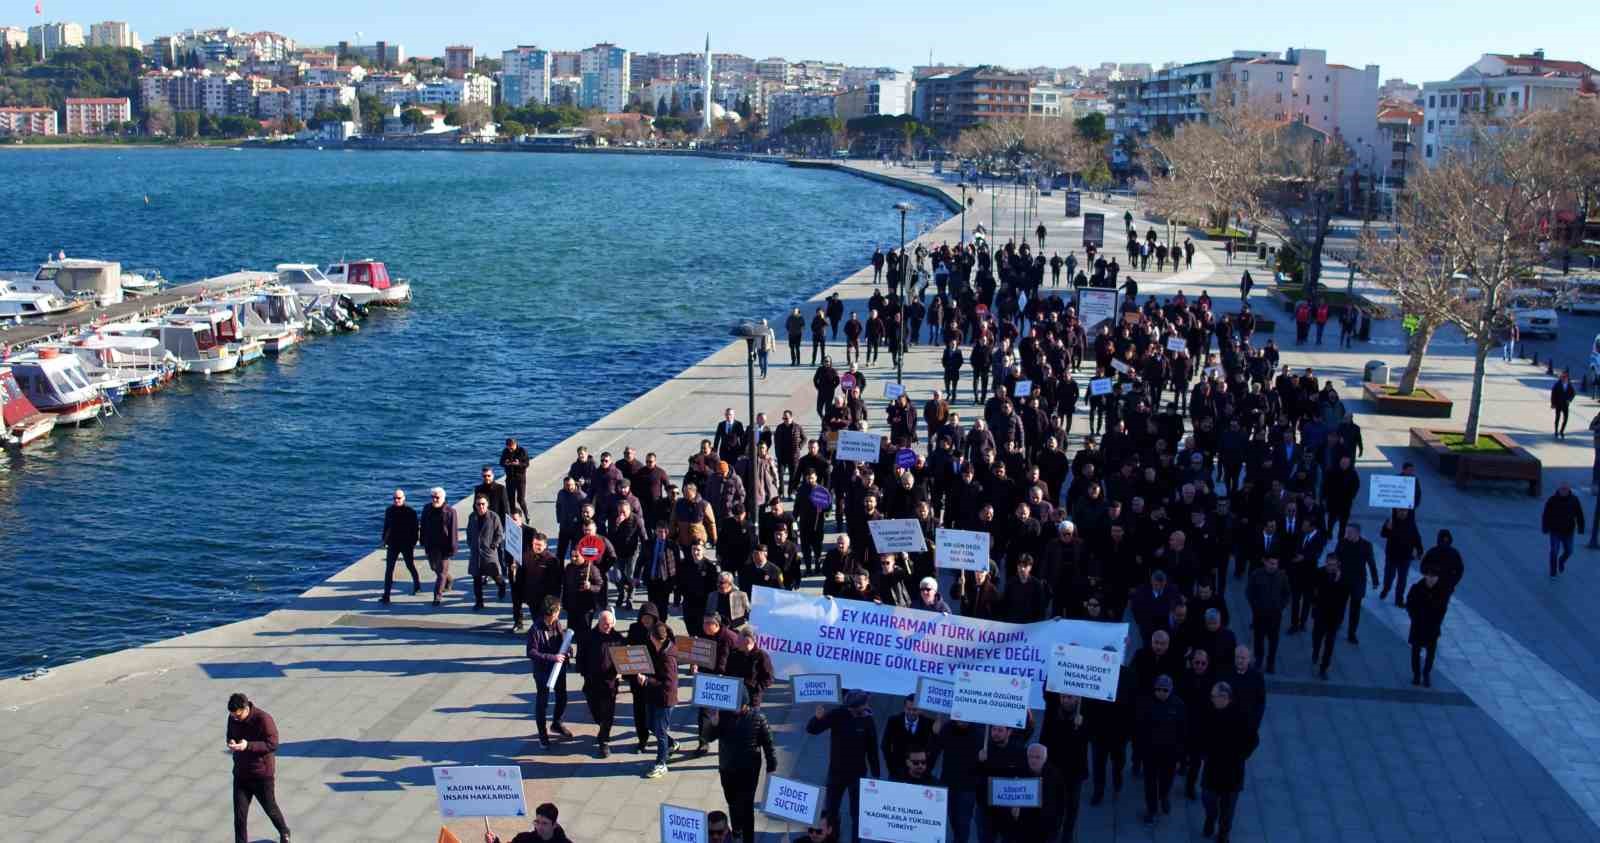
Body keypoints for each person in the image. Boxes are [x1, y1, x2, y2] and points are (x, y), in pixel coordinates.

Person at [807, 691, 881, 843]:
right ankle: (833, 839)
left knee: (857, 813)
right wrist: (817, 718)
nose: (867, 707)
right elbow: (812, 730)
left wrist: (876, 774)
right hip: (836, 773)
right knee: (831, 812)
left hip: (858, 774)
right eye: (864, 704)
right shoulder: (837, 714)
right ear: (854, 707)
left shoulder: (868, 719)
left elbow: (872, 748)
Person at [705, 700, 778, 843]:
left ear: (745, 704)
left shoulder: (758, 718)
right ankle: (737, 831)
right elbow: (707, 737)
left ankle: (748, 838)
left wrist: (771, 768)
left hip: (749, 772)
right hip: (727, 769)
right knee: (732, 803)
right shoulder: (723, 716)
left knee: (746, 806)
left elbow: (768, 744)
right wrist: (713, 723)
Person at [227, 692, 290, 843]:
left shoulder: (263, 719)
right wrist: (231, 742)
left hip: (261, 774)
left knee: (270, 808)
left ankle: (284, 831)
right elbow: (230, 735)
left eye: (238, 715)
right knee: (240, 816)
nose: (236, 718)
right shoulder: (232, 718)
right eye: (233, 716)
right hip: (241, 773)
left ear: (246, 708)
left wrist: (248, 745)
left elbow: (272, 744)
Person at [1199, 682, 1259, 843]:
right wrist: (1203, 753)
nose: (1212, 699)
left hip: (1233, 771)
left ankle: (1223, 833)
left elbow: (1253, 739)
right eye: (1212, 696)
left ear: (1225, 697)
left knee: (1228, 807)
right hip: (1212, 768)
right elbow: (1199, 734)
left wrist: (1242, 756)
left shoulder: (1241, 715)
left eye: (1214, 696)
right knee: (1207, 798)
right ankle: (1210, 818)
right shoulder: (1209, 712)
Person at [1135, 675, 1186, 825]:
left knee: (1166, 780)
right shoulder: (1146, 704)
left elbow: (1183, 731)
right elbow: (1139, 728)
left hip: (1170, 753)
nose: (1161, 692)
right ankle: (1151, 809)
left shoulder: (1178, 705)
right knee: (1150, 783)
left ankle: (1164, 797)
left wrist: (1180, 755)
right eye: (1158, 689)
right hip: (1150, 752)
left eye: (1165, 690)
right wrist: (1140, 750)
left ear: (1170, 690)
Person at [528, 596, 576, 748]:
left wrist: (568, 649)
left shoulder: (556, 623)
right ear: (552, 612)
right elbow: (531, 652)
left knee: (562, 697)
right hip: (543, 671)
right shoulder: (535, 629)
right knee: (542, 703)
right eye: (558, 610)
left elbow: (562, 641)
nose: (559, 612)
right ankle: (542, 735)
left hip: (558, 668)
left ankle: (557, 723)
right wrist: (552, 657)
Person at [581, 610, 625, 758]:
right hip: (592, 682)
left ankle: (604, 741)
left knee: (608, 713)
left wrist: (621, 672)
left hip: (610, 683)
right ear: (599, 622)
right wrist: (584, 672)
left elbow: (624, 658)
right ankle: (602, 726)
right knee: (596, 711)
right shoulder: (588, 637)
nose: (608, 626)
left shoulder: (618, 638)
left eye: (610, 624)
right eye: (605, 624)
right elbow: (581, 656)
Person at [640, 620, 680, 778]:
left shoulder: (667, 657)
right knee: (651, 725)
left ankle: (661, 763)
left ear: (653, 637)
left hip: (665, 699)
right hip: (654, 696)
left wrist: (647, 680)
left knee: (660, 731)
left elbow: (668, 683)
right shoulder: (658, 649)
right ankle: (672, 744)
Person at [1309, 556, 1351, 679]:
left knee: (1330, 643)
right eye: (1328, 564)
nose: (1330, 567)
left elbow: (1344, 598)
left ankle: (1324, 668)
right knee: (1316, 637)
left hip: (1334, 616)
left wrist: (1338, 581)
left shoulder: (1343, 577)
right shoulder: (1320, 573)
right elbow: (1316, 590)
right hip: (1320, 612)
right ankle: (1315, 651)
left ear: (1338, 564)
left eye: (1333, 565)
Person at [1406, 567, 1449, 687]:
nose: (1431, 579)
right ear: (1425, 576)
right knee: (1415, 651)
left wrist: (1436, 622)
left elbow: (1443, 610)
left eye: (1434, 577)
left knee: (1430, 653)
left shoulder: (1442, 592)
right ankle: (1416, 674)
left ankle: (1426, 674)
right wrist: (1414, 617)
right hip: (1418, 625)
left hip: (1432, 627)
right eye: (1429, 576)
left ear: (1437, 578)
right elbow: (1410, 604)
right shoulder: (1416, 588)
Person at [1246, 556, 1289, 673]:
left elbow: (1286, 594)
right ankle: (1259, 660)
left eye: (1275, 564)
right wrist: (1255, 606)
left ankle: (1271, 663)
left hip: (1275, 615)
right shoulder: (1256, 574)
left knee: (1273, 640)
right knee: (1258, 638)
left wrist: (1281, 606)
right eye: (1271, 563)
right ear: (1265, 563)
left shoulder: (1282, 576)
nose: (1273, 566)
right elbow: (1250, 592)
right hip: (1259, 614)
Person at [881, 694, 938, 781]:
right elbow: (885, 746)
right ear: (904, 708)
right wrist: (891, 768)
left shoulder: (929, 723)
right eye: (908, 709)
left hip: (921, 772)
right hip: (897, 771)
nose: (911, 712)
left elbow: (934, 749)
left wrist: (927, 768)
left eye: (914, 710)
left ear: (920, 709)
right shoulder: (893, 721)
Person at [420, 487, 458, 607]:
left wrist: (453, 547)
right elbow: (423, 525)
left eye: (437, 497)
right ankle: (449, 579)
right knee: (435, 568)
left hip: (444, 547)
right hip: (431, 545)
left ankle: (437, 596)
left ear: (443, 498)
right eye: (433, 497)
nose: (435, 499)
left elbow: (453, 531)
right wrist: (422, 540)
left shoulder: (450, 512)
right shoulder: (426, 508)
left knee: (441, 573)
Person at [381, 489, 421, 603]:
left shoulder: (410, 511)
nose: (396, 500)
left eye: (398, 498)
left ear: (404, 498)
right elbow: (386, 526)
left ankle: (417, 585)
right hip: (393, 544)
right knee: (389, 569)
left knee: (410, 565)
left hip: (406, 544)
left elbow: (415, 529)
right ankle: (386, 595)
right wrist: (384, 540)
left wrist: (413, 543)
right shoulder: (389, 510)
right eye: (394, 498)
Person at [467, 495, 506, 610]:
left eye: (483, 504)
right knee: (476, 579)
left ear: (487, 504)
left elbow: (500, 534)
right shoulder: (472, 517)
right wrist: (470, 543)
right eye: (478, 504)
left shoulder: (494, 517)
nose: (481, 506)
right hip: (475, 553)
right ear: (475, 505)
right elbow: (469, 532)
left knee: (495, 575)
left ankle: (502, 586)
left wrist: (494, 544)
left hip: (489, 553)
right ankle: (479, 602)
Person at [1379, 509, 1424, 607]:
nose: (1403, 513)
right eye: (1400, 511)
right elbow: (1383, 534)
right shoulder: (1391, 520)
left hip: (1405, 557)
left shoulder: (1411, 523)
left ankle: (1399, 599)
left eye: (1405, 511)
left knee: (1402, 580)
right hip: (1392, 556)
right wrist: (1387, 528)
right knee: (1389, 576)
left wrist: (1419, 551)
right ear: (1396, 511)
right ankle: (1386, 589)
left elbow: (1417, 538)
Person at [1543, 482, 1585, 579]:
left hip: (1568, 531)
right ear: (1558, 490)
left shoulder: (1574, 500)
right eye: (1562, 489)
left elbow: (1579, 514)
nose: (1563, 491)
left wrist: (1581, 527)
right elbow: (1546, 514)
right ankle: (1553, 571)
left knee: (1569, 551)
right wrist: (1545, 527)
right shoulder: (1552, 500)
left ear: (1569, 490)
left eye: (1565, 489)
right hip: (1555, 530)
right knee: (1554, 551)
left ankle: (1561, 561)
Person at [484, 802, 571, 843]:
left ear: (554, 825)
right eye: (537, 822)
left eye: (545, 823)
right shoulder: (523, 839)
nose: (539, 827)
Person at [499, 437, 531, 517]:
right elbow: (501, 462)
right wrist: (505, 463)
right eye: (508, 447)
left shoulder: (522, 451)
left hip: (520, 479)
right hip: (510, 478)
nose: (510, 450)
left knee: (520, 499)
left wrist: (518, 464)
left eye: (511, 448)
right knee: (511, 499)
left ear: (515, 444)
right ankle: (513, 516)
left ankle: (526, 514)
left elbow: (527, 464)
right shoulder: (505, 451)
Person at [1553, 371, 1577, 439]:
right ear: (1561, 377)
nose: (1564, 378)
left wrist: (1569, 400)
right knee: (1557, 418)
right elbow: (1553, 394)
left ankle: (1561, 431)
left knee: (1566, 419)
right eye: (1563, 377)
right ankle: (1556, 431)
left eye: (1565, 377)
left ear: (1567, 378)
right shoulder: (1557, 384)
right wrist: (1553, 403)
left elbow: (1573, 393)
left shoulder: (1569, 385)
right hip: (1558, 404)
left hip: (1565, 404)